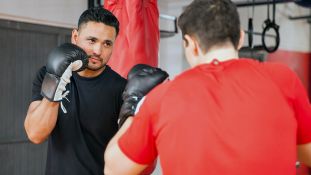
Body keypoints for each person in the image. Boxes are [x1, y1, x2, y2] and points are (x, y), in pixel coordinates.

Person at [104, 0, 311, 174]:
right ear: (240, 37)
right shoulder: (283, 80)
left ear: (190, 43)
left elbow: (114, 168)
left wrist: (134, 106)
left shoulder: (162, 98)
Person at [24, 7, 127, 175]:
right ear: (75, 37)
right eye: (92, 40)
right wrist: (56, 86)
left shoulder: (121, 88)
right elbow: (35, 135)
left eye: (107, 43)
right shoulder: (47, 74)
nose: (98, 51)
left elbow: (130, 152)